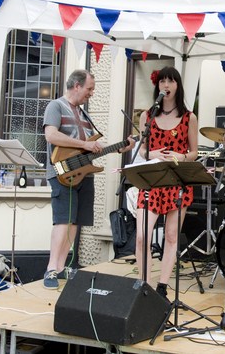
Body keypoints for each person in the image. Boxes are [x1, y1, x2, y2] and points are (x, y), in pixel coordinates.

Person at [43, 69, 136, 289]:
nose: (91, 93)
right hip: (62, 173)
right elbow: (51, 135)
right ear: (77, 86)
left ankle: (61, 267)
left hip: (83, 174)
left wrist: (119, 148)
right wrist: (85, 144)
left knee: (75, 222)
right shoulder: (56, 106)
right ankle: (51, 269)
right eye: (89, 88)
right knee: (63, 220)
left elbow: (89, 148)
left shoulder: (85, 115)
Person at [134, 66, 198, 301]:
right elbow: (142, 149)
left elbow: (194, 152)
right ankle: (143, 283)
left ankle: (162, 286)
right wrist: (151, 154)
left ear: (178, 86)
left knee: (171, 236)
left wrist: (181, 156)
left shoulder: (189, 117)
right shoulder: (147, 116)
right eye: (162, 81)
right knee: (142, 235)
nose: (166, 85)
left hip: (176, 182)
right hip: (151, 181)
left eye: (171, 81)